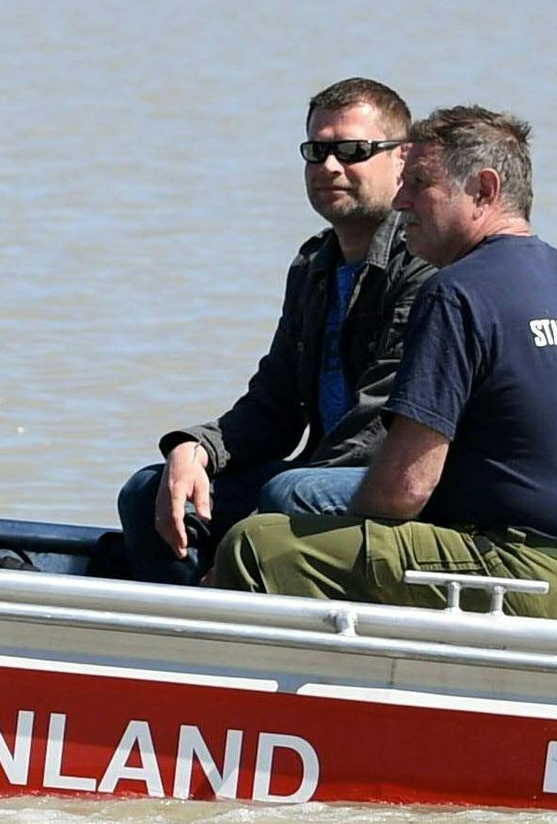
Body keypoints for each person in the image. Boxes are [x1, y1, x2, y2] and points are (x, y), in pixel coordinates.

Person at [210, 108, 557, 622]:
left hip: (513, 577)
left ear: (484, 190)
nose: (401, 203)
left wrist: (334, 537)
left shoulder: (458, 292)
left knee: (258, 543)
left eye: (420, 184)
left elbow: (405, 488)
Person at [112, 78, 433, 583]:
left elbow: (378, 425)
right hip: (310, 476)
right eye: (316, 150)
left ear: (403, 159)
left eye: (353, 150)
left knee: (278, 499)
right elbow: (274, 405)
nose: (330, 166)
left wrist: (281, 500)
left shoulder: (424, 266)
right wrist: (196, 449)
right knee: (149, 491)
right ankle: (198, 629)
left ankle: (227, 610)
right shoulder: (313, 265)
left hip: (381, 487)